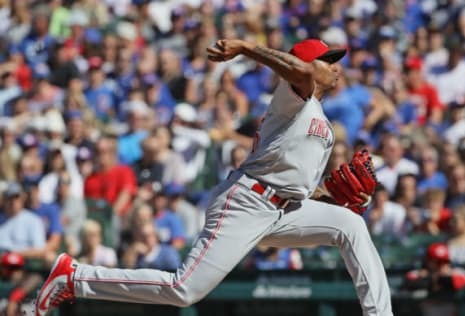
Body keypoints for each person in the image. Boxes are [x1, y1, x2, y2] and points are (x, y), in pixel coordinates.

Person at [35, 39, 393, 316]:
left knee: (350, 225)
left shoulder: (321, 121)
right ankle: (75, 277)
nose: (336, 67)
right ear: (305, 64)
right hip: (247, 202)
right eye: (327, 60)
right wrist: (247, 47)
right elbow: (299, 74)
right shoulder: (293, 97)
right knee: (184, 290)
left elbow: (294, 183)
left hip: (283, 208)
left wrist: (329, 198)